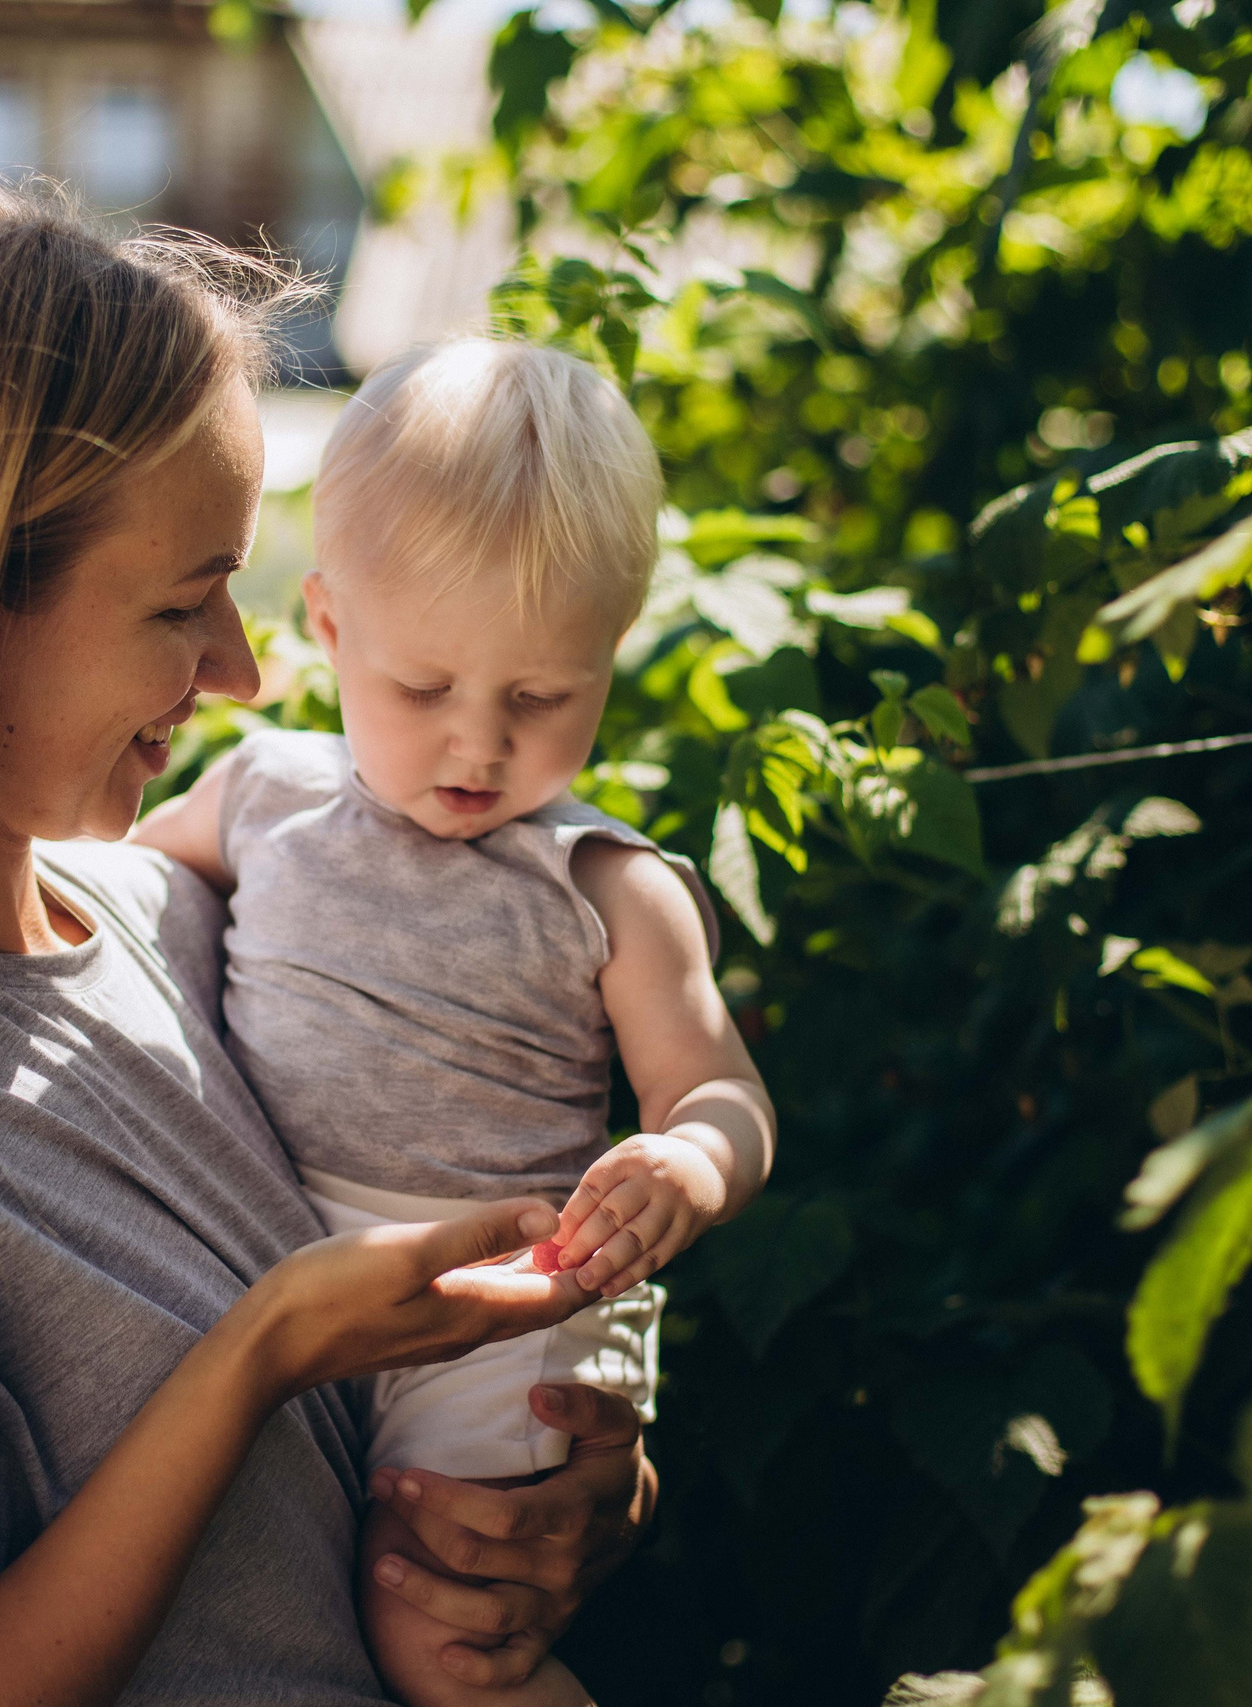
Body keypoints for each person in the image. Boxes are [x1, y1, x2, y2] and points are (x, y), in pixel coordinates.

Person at [0, 183, 659, 1707]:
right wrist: (256, 1356)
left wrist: (554, 1503)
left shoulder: (180, 925)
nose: (239, 669)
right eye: (182, 605)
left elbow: (349, 1499)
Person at [132, 339, 773, 1706]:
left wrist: (688, 1165)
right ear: (327, 629)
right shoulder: (262, 798)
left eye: (542, 700)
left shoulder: (607, 883)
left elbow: (719, 1090)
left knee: (446, 1636)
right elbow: (111, 884)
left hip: (514, 1306)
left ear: (609, 658)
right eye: (425, 691)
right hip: (286, 1266)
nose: (478, 748)